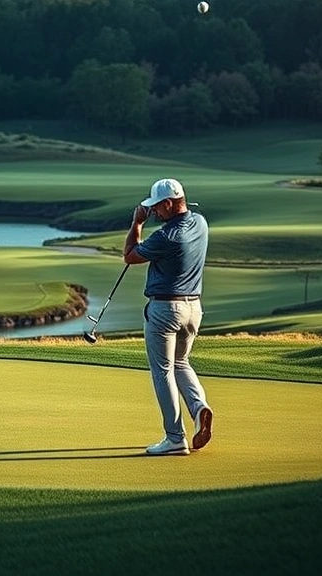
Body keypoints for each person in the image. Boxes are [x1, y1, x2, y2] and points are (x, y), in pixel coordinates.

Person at [123, 178, 213, 456]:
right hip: (193, 309)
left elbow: (129, 256)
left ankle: (175, 438)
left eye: (156, 208)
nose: (154, 213)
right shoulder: (200, 222)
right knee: (181, 363)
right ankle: (199, 409)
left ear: (168, 203)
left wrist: (137, 223)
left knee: (162, 371)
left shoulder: (165, 237)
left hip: (165, 310)